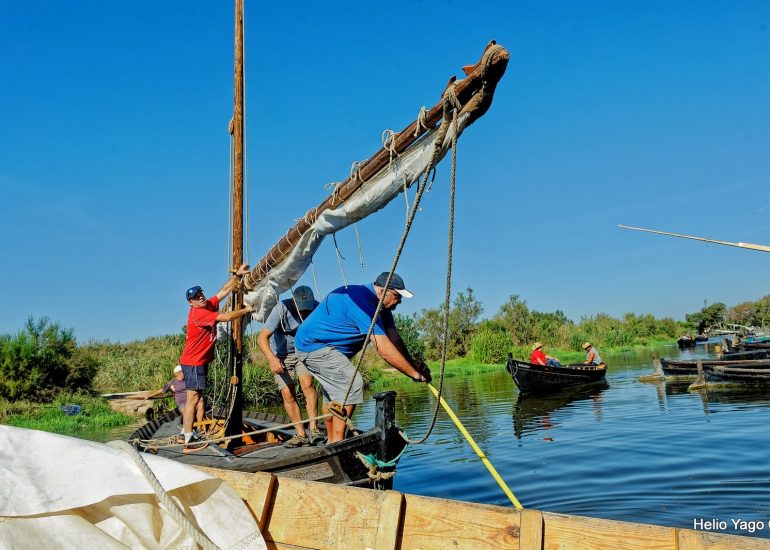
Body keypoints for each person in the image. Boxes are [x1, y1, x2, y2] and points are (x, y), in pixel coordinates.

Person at [294, 272, 431, 444]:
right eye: (397, 296)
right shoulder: (363, 304)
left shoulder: (381, 308)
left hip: (324, 348)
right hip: (313, 345)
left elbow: (393, 338)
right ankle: (337, 444)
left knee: (335, 396)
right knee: (352, 385)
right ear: (382, 291)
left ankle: (331, 441)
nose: (399, 301)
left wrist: (411, 363)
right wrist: (414, 374)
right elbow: (384, 349)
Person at [179, 264, 254, 452]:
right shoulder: (199, 314)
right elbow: (226, 317)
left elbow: (223, 292)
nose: (200, 297)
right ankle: (188, 437)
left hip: (198, 361)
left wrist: (237, 275)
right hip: (193, 362)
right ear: (190, 303)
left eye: (201, 294)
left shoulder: (207, 305)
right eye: (196, 297)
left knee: (195, 398)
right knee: (193, 399)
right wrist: (246, 310)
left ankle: (185, 432)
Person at [257, 285, 321, 448]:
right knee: (287, 392)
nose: (304, 312)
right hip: (281, 355)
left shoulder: (317, 307)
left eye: (307, 308)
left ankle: (314, 429)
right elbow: (262, 338)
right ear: (294, 301)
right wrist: (272, 359)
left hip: (303, 351)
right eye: (302, 309)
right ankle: (301, 434)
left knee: (307, 384)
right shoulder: (281, 309)